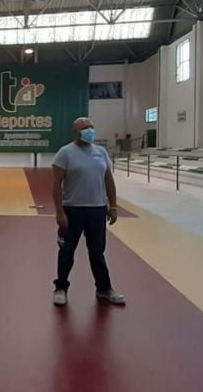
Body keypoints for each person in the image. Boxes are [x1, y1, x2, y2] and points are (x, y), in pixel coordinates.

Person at [51, 117, 126, 306]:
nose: (90, 130)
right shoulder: (65, 153)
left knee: (97, 252)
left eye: (91, 127)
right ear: (75, 132)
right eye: (85, 128)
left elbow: (108, 180)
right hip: (72, 211)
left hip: (97, 211)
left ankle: (104, 289)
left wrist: (113, 206)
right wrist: (60, 212)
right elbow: (56, 185)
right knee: (67, 252)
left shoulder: (101, 152)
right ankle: (61, 288)